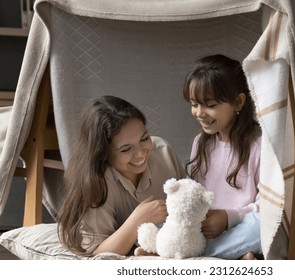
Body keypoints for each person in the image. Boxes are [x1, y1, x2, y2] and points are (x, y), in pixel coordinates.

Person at [57, 95, 186, 256]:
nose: (140, 153)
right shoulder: (97, 182)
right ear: (103, 152)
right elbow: (100, 253)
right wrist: (137, 220)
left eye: (144, 138)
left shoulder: (163, 151)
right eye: (126, 149)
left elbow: (190, 202)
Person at [183, 54, 262, 260]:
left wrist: (228, 218)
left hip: (240, 227)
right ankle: (236, 256)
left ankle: (184, 254)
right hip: (205, 231)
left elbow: (269, 206)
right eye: (194, 104)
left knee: (261, 226)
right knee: (158, 221)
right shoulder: (200, 143)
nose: (199, 113)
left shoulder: (260, 144)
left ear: (238, 102)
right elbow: (196, 196)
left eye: (209, 104)